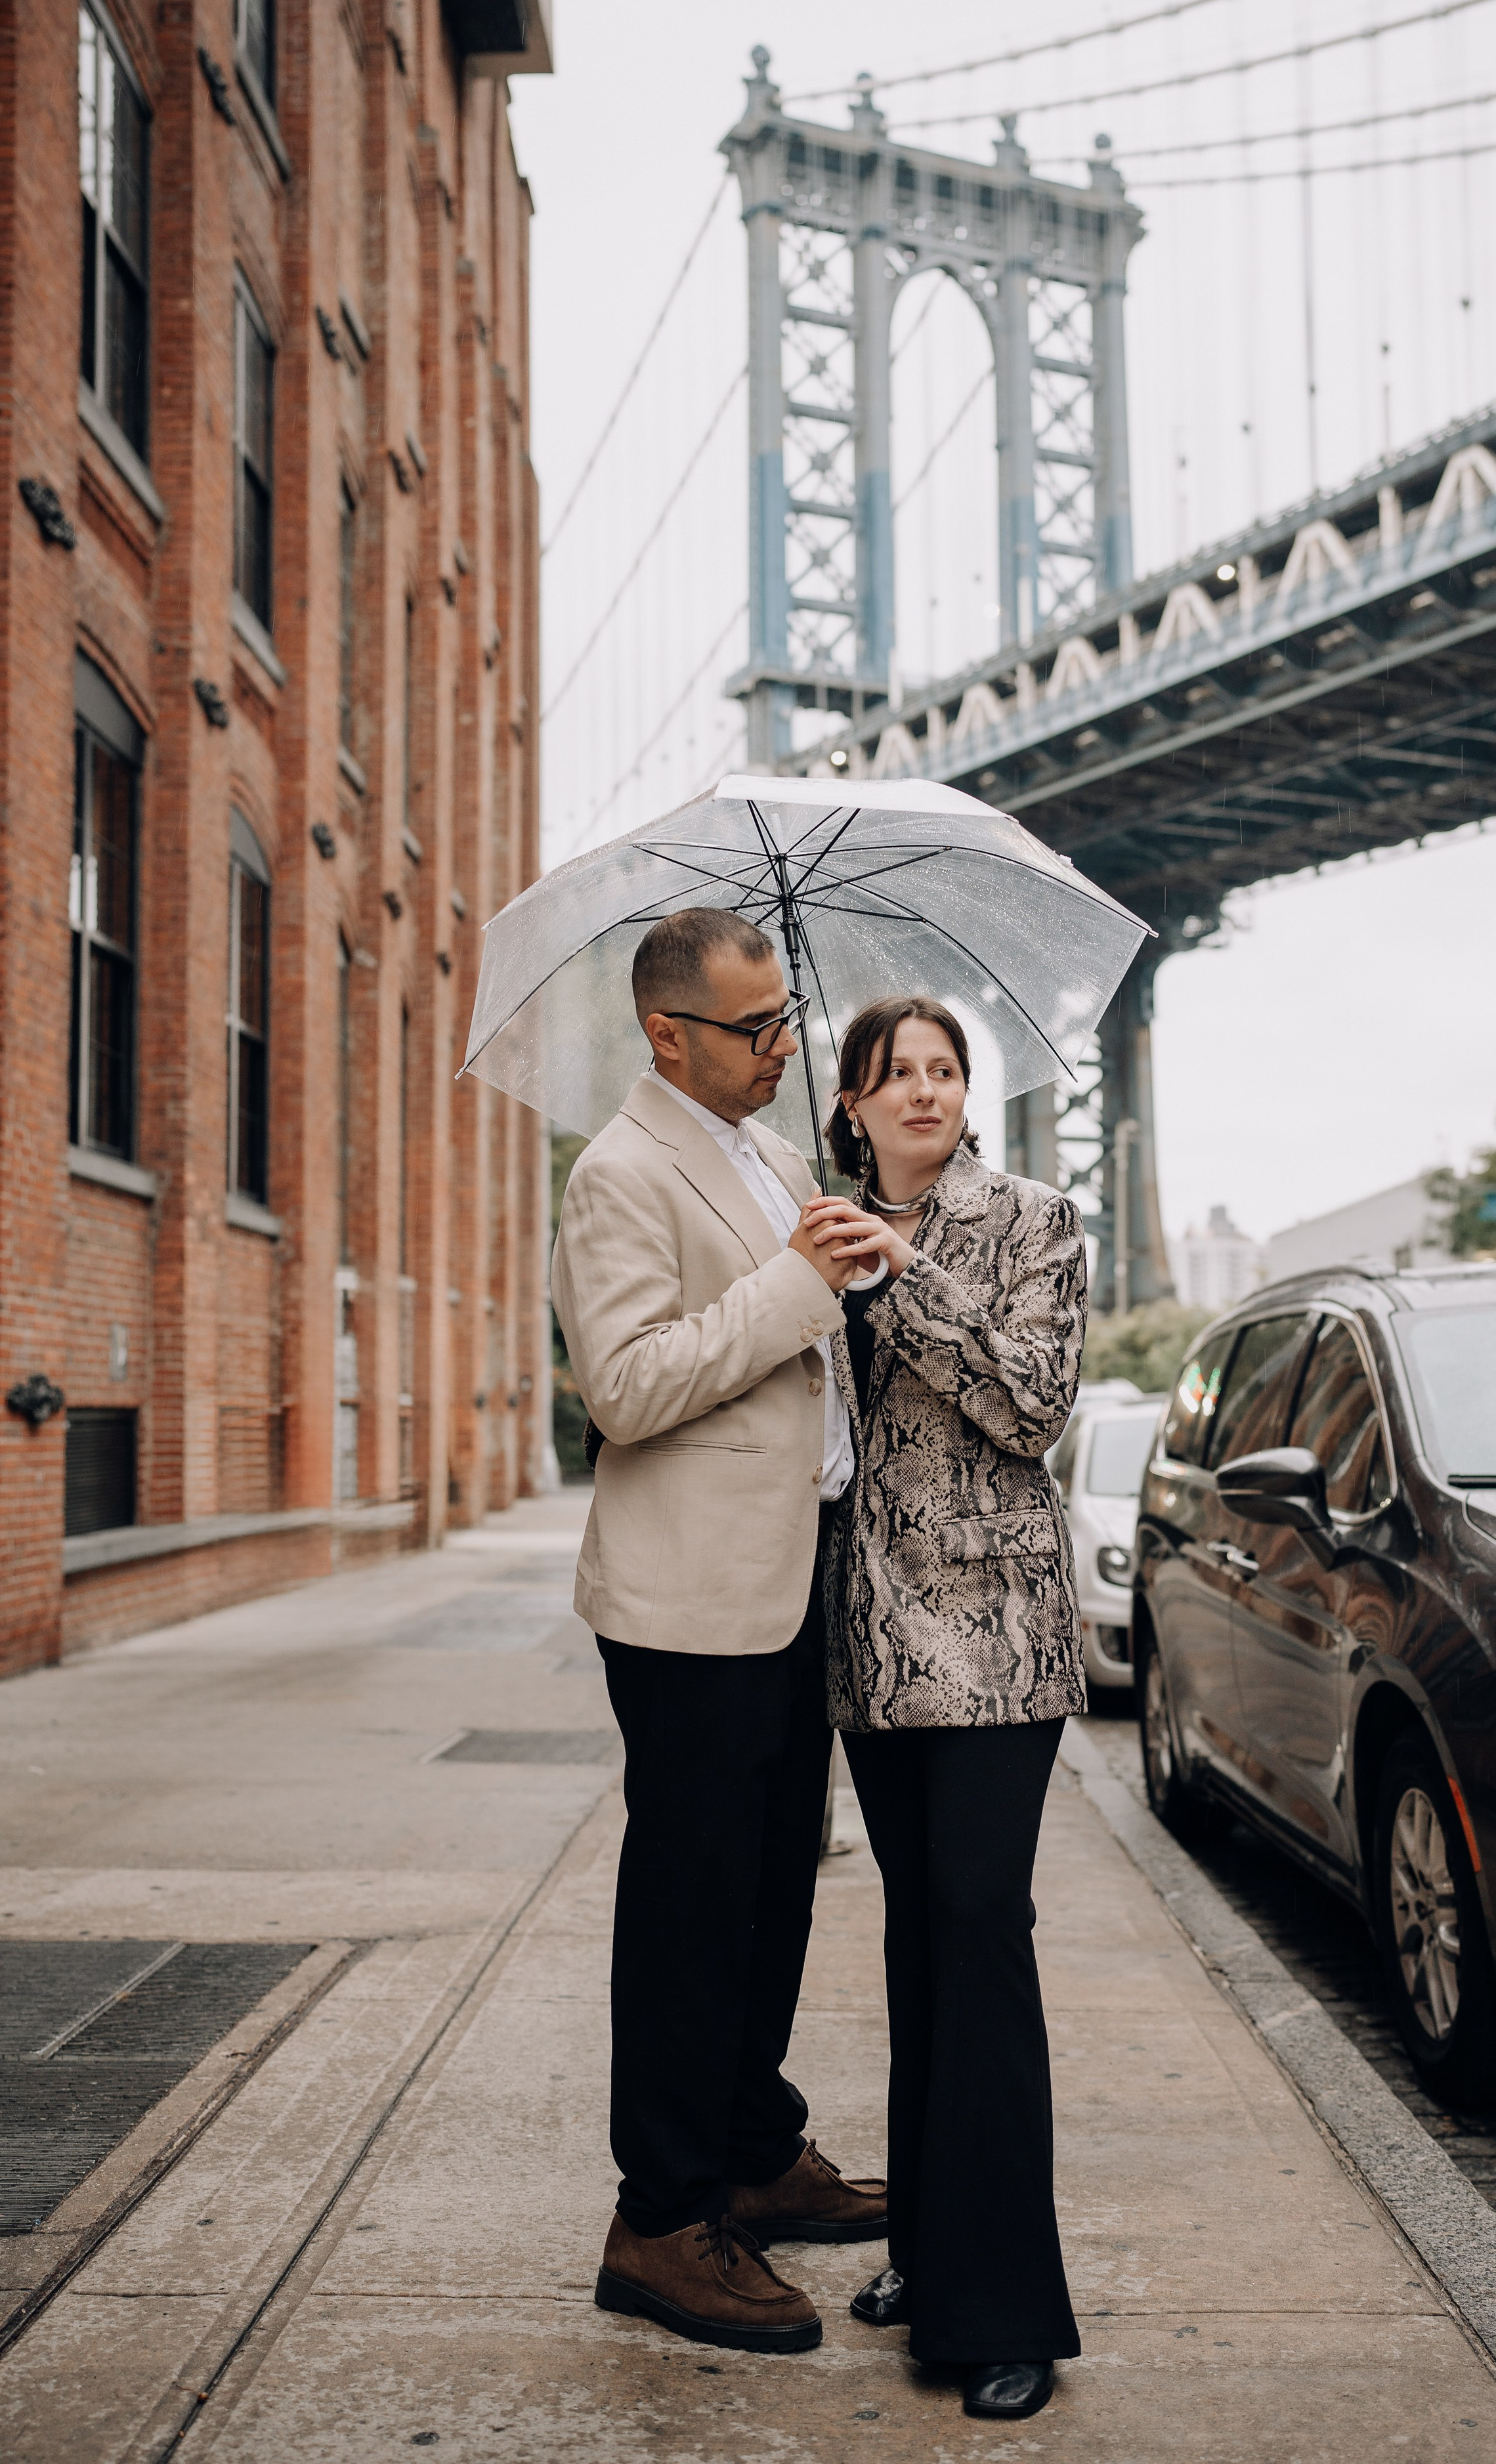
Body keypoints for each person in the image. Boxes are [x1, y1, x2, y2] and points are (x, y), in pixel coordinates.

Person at [552, 908, 887, 2358]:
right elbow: (624, 1388)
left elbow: (790, 1348)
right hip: (689, 1601)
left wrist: (846, 1256)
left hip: (789, 1573)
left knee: (773, 1889)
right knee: (690, 1910)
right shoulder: (619, 1175)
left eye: (784, 1019)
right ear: (666, 1035)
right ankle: (661, 2217)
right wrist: (800, 1282)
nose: (783, 1045)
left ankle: (752, 2149)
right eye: (754, 1029)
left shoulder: (766, 1149)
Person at [798, 995, 1087, 2425]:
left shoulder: (1032, 1219)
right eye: (892, 1074)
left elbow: (1031, 1405)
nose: (923, 1092)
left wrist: (901, 1276)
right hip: (866, 1647)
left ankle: (1001, 2304)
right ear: (849, 1102)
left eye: (943, 1069)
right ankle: (928, 2244)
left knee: (979, 1933)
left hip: (990, 1639)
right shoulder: (820, 1220)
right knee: (920, 1945)